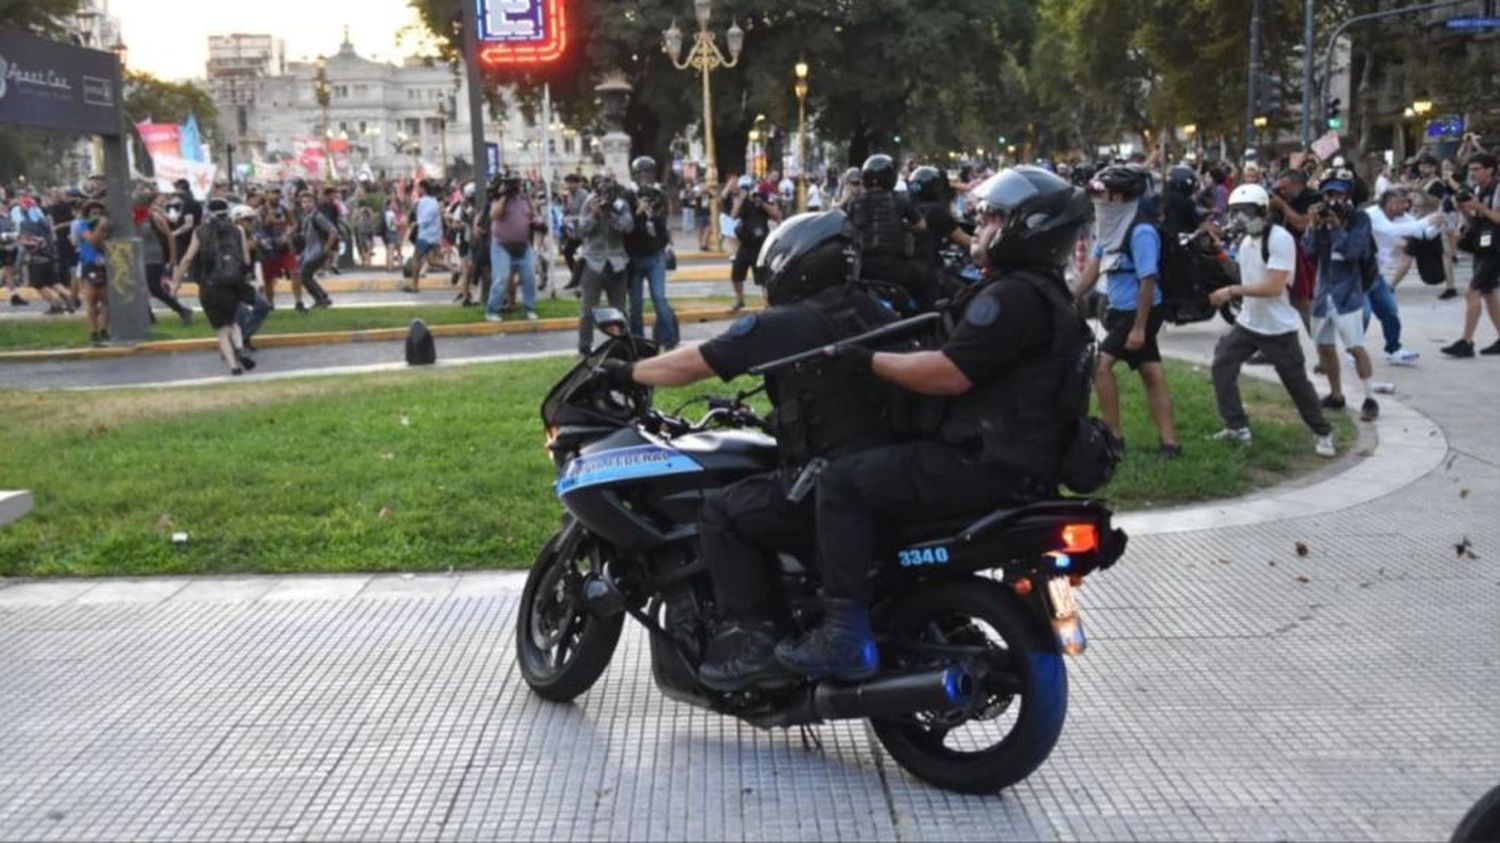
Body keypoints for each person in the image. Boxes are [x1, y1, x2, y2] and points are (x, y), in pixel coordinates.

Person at [776, 166, 1095, 680]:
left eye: (993, 218)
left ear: (1025, 228)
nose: (982, 227)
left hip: (979, 464)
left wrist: (866, 361)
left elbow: (949, 373)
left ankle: (843, 632)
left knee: (840, 483)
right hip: (1025, 463)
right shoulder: (1050, 296)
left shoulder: (1010, 298)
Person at [593, 209, 901, 690]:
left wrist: (626, 373)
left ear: (796, 264)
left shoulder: (791, 322)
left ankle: (756, 640)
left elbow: (696, 363)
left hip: (835, 477)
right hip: (885, 469)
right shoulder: (872, 307)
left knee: (722, 514)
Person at [1206, 184, 1336, 457]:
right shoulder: (1245, 243)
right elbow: (1244, 277)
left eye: (1246, 211)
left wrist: (1231, 292)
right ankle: (1237, 426)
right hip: (1249, 322)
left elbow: (1273, 287)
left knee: (1295, 383)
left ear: (1264, 211)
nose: (1240, 218)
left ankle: (1323, 431)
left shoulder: (1280, 239)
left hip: (1278, 328)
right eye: (1235, 212)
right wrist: (1215, 253)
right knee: (1222, 365)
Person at [1072, 165, 1182, 456]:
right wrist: (1068, 297)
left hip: (1140, 312)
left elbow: (1148, 281)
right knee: (1151, 372)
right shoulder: (1109, 227)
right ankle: (1170, 443)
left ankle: (1113, 437)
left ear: (1119, 196)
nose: (1098, 198)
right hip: (1120, 310)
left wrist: (1138, 328)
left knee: (1101, 366)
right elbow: (1092, 270)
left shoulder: (1141, 231)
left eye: (1102, 193)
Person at [1303, 175, 1380, 421]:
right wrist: (1314, 227)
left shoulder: (1359, 219)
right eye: (1328, 195)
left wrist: (1336, 227)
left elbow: (1353, 252)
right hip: (1323, 292)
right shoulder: (1319, 219)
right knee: (1324, 346)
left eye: (1338, 195)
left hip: (1348, 293)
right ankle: (1336, 394)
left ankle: (1370, 398)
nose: (1333, 201)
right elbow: (1309, 252)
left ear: (1347, 196)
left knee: (1355, 346)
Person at [844, 154, 942, 312]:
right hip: (892, 266)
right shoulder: (900, 200)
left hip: (862, 268)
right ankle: (925, 320)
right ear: (891, 177)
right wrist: (905, 228)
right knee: (928, 278)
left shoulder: (854, 203)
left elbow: (846, 227)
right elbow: (921, 226)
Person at [177, 199, 256, 375]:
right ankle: (240, 348)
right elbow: (246, 260)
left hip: (209, 286)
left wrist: (176, 283)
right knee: (233, 323)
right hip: (232, 285)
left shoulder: (200, 232)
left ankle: (234, 367)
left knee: (221, 330)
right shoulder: (238, 230)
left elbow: (188, 258)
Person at [1365, 187, 1441, 365]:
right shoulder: (1372, 215)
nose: (1406, 205)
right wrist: (1425, 221)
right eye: (1402, 202)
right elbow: (1391, 231)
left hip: (1377, 273)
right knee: (1363, 314)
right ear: (1390, 203)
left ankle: (1394, 349)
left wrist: (1438, 224)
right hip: (1357, 274)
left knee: (1390, 311)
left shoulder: (1403, 218)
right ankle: (1353, 351)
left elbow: (1423, 233)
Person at [1441, 151, 1500, 358]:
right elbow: (1474, 222)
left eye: (1477, 169)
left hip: (1496, 249)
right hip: (1483, 247)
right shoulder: (1476, 189)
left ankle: (1466, 342)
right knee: (1489, 292)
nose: (1473, 173)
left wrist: (1479, 206)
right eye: (1471, 169)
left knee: (1472, 292)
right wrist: (1464, 210)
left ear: (1490, 169)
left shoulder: (1498, 189)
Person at [624, 156, 679, 349]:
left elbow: (662, 220)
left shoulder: (659, 193)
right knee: (636, 304)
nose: (645, 178)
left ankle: (669, 339)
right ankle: (638, 342)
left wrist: (654, 207)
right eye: (641, 173)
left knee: (659, 297)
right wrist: (638, 211)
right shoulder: (628, 195)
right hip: (634, 256)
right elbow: (626, 225)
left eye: (648, 173)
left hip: (655, 255)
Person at [574, 177, 634, 354]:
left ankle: (622, 347)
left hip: (617, 263)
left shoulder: (620, 204)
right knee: (587, 310)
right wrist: (594, 215)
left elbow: (628, 227)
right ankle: (584, 348)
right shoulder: (589, 202)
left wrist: (611, 215)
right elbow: (581, 230)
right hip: (593, 262)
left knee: (620, 310)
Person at [484, 173, 541, 322]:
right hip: (501, 244)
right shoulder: (499, 197)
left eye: (516, 184)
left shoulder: (525, 198)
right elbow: (494, 215)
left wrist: (537, 222)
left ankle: (529, 308)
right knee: (501, 277)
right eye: (511, 184)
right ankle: (492, 310)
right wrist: (504, 195)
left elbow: (534, 214)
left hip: (523, 244)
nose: (514, 187)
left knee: (529, 277)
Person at [136, 189, 193, 325]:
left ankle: (182, 310)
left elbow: (169, 236)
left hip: (153, 256)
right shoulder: (138, 215)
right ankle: (148, 316)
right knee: (139, 287)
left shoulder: (154, 216)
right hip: (140, 256)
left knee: (155, 288)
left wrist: (173, 256)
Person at [727, 175, 779, 309]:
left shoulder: (761, 197)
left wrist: (761, 203)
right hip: (745, 244)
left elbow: (776, 214)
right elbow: (733, 215)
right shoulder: (740, 201)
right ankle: (740, 300)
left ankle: (768, 303)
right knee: (736, 274)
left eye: (746, 188)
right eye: (742, 188)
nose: (745, 190)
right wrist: (740, 200)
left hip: (760, 245)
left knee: (762, 278)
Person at [907, 165, 971, 270]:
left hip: (907, 269)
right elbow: (965, 241)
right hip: (927, 271)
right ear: (934, 188)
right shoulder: (935, 212)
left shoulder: (907, 208)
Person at [72, 200, 111, 345]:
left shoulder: (107, 226)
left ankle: (104, 330)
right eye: (94, 213)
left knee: (106, 300)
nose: (97, 215)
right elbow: (92, 241)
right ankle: (93, 332)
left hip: (105, 264)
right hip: (90, 264)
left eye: (99, 213)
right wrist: (100, 228)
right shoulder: (83, 225)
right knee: (92, 300)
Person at [294, 191, 336, 311]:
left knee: (304, 276)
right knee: (306, 276)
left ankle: (321, 299)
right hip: (309, 251)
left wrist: (326, 248)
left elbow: (333, 231)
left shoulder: (317, 216)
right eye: (303, 202)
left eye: (308, 202)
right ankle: (322, 297)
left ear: (314, 203)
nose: (306, 204)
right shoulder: (308, 217)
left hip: (317, 251)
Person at [406, 180, 443, 293]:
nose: (417, 190)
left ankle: (414, 285)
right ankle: (454, 269)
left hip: (424, 235)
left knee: (416, 258)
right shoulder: (435, 202)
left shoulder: (423, 202)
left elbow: (425, 218)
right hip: (435, 235)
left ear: (423, 188)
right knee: (431, 260)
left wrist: (417, 223)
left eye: (418, 188)